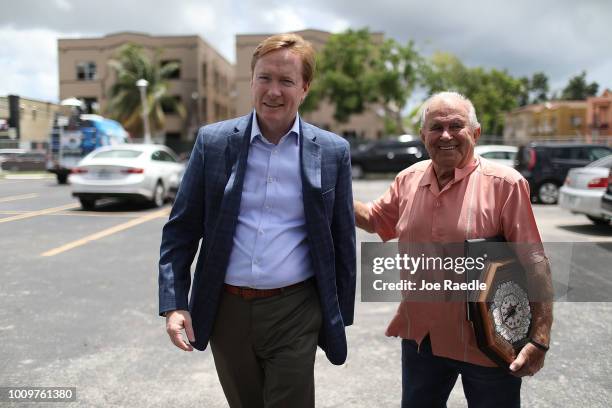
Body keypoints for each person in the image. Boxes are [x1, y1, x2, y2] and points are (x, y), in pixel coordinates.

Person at [158, 33, 356, 408]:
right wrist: (174, 303)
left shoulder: (332, 151)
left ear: (305, 88)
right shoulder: (213, 142)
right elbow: (181, 229)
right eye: (265, 78)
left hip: (295, 309)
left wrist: (335, 316)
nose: (273, 91)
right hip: (226, 310)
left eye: (286, 81)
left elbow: (341, 237)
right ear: (251, 81)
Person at [354, 91, 553, 407]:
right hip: (422, 340)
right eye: (435, 127)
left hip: (489, 343)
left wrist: (539, 339)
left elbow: (535, 262)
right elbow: (375, 218)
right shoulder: (408, 180)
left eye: (456, 126)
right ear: (423, 136)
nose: (445, 135)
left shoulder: (505, 184)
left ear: (475, 132)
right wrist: (328, 190)